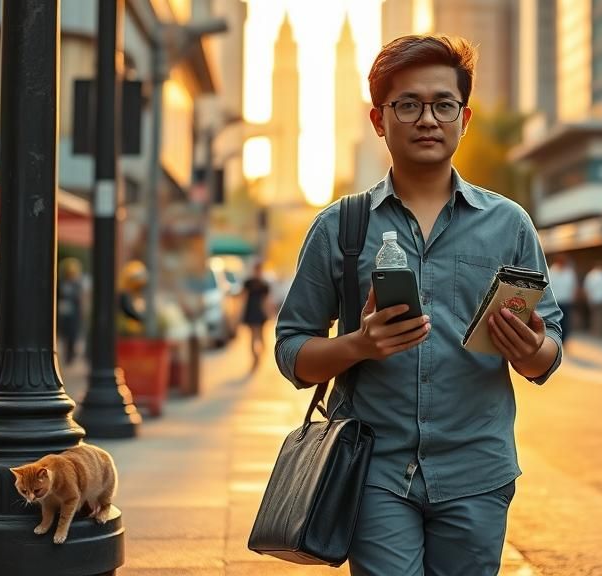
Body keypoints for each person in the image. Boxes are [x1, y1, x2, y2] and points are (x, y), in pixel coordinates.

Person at [275, 35, 563, 575]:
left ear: (464, 117)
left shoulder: (509, 224)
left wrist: (530, 350)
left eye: (443, 104)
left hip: (478, 472)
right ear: (379, 120)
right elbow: (291, 352)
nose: (427, 118)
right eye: (408, 104)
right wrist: (358, 345)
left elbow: (548, 352)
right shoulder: (340, 227)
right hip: (374, 471)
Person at [242, 261, 274, 373]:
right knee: (252, 337)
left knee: (260, 337)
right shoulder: (248, 283)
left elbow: (266, 301)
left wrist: (268, 313)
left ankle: (259, 357)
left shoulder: (264, 285)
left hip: (260, 313)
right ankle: (256, 358)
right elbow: (244, 298)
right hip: (251, 311)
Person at [57, 258, 85, 366]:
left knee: (72, 335)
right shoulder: (61, 283)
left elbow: (80, 299)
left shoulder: (77, 285)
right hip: (64, 313)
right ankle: (67, 355)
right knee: (64, 335)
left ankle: (71, 355)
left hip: (74, 314)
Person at [548, 254, 576, 343]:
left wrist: (573, 297)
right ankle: (556, 339)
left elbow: (573, 286)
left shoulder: (569, 272)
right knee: (556, 321)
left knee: (566, 322)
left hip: (566, 300)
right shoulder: (551, 271)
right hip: (555, 301)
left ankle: (564, 340)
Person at [584, 261, 602, 338]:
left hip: (597, 298)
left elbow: (587, 288)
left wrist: (588, 298)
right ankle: (600, 332)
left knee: (597, 317)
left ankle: (599, 332)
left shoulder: (592, 275)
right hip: (601, 298)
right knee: (600, 316)